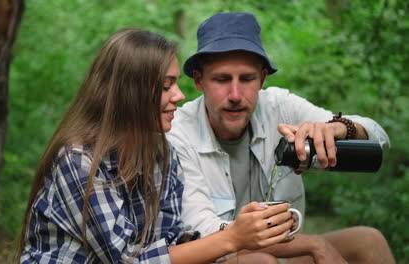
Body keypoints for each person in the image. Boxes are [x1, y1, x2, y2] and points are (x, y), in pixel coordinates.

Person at [18, 28, 297, 263]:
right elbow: (126, 259)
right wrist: (232, 237)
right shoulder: (79, 159)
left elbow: (169, 241)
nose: (179, 95)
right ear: (130, 92)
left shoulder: (162, 155)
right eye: (166, 86)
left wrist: (238, 232)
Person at [167, 12, 396, 263]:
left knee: (368, 241)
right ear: (199, 81)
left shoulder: (280, 106)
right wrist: (314, 244)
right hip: (219, 256)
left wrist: (340, 129)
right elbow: (204, 232)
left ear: (262, 78)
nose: (234, 94)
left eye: (247, 79)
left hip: (283, 253)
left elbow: (380, 142)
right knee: (261, 262)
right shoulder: (178, 133)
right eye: (221, 79)